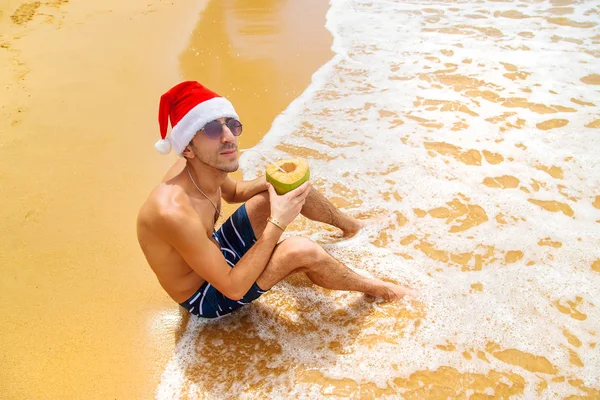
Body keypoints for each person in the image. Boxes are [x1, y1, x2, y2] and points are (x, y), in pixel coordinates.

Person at [136, 81, 414, 318]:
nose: (228, 137)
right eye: (211, 130)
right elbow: (232, 288)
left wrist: (274, 179)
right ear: (187, 148)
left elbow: (233, 193)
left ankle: (353, 227)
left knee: (289, 186)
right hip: (207, 294)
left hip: (218, 254)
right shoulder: (173, 212)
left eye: (232, 125)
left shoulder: (206, 168)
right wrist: (278, 222)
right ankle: (379, 290)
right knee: (300, 250)